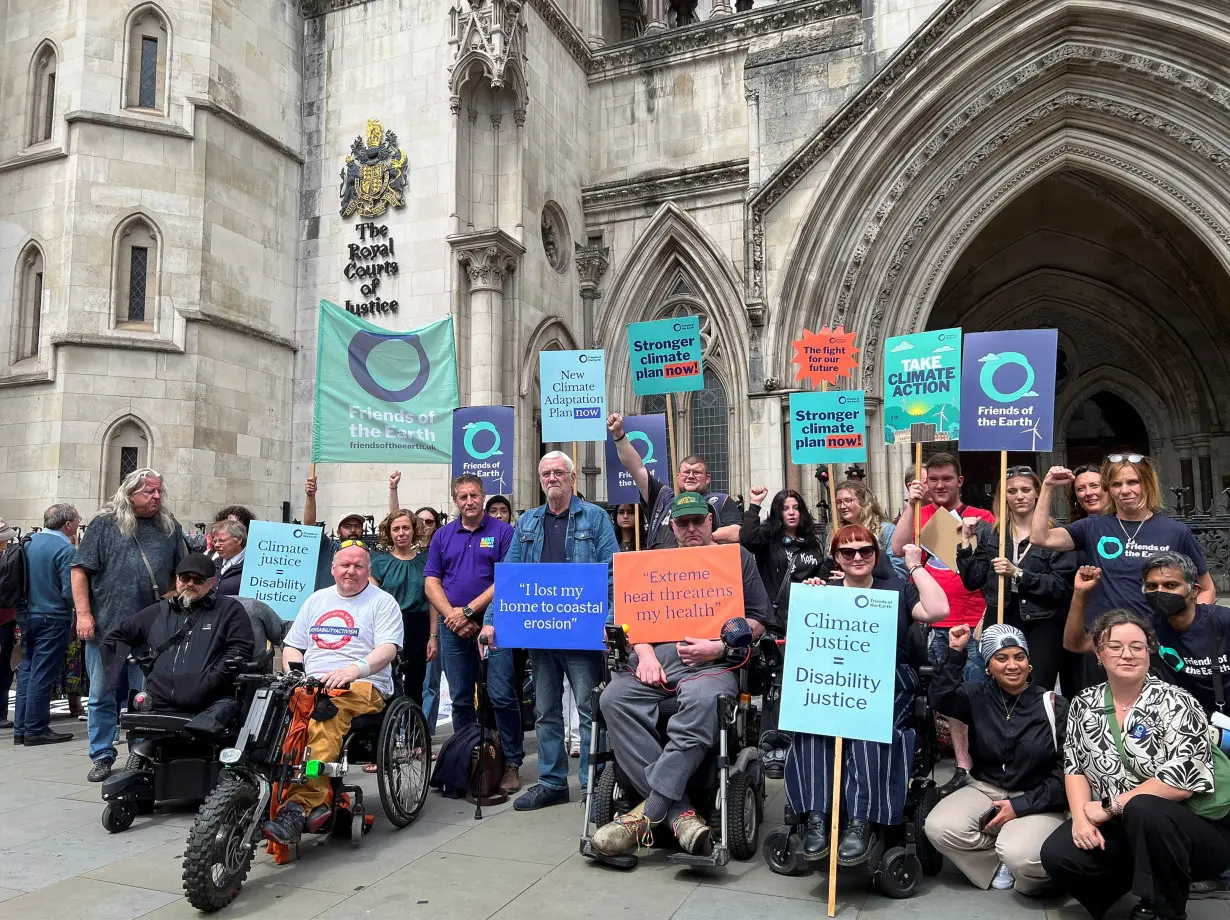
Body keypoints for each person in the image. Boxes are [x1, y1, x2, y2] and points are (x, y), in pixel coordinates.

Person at [590, 492, 772, 858]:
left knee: (705, 701)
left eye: (697, 521)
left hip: (713, 662)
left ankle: (651, 811)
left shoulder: (738, 559)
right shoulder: (652, 562)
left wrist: (719, 647)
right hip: (656, 658)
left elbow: (759, 621)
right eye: (683, 523)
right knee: (613, 698)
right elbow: (626, 620)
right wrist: (643, 652)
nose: (691, 529)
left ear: (710, 522)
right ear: (672, 527)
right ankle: (680, 814)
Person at [1041, 610, 1230, 920]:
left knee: (1144, 807)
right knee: (1058, 854)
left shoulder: (1177, 701)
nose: (1127, 654)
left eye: (1137, 646)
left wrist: (1110, 806)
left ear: (1148, 652)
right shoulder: (1084, 703)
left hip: (1190, 829)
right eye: (1115, 646)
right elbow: (1075, 765)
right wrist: (1080, 818)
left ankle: (1164, 908)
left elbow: (1181, 781)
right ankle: (1130, 887)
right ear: (1099, 654)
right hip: (1123, 824)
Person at [783, 525, 948, 862]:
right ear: (836, 559)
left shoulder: (897, 588)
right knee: (812, 724)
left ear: (876, 554)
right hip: (833, 681)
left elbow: (938, 611)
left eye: (865, 550)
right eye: (847, 552)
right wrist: (813, 593)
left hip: (888, 680)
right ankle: (818, 817)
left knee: (871, 726)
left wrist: (915, 566)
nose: (857, 557)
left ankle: (861, 821)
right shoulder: (824, 590)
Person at [483, 451, 618, 810]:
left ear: (573, 479)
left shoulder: (595, 518)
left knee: (590, 710)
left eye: (559, 472)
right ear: (541, 480)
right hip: (540, 632)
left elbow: (611, 572)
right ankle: (553, 782)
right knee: (545, 711)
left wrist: (608, 621)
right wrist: (492, 621)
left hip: (581, 631)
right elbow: (509, 577)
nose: (552, 478)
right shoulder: (527, 522)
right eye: (546, 473)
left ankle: (592, 789)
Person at [263, 544, 403, 844]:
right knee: (265, 712)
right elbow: (292, 645)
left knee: (326, 714)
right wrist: (295, 672)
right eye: (344, 565)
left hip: (364, 684)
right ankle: (260, 793)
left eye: (358, 566)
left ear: (368, 570)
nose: (350, 571)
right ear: (333, 568)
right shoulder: (317, 599)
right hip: (311, 681)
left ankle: (301, 805)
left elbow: (389, 648)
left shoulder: (382, 602)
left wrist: (355, 670)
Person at [925, 623, 1068, 893]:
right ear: (989, 666)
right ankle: (996, 860)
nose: (1012, 665)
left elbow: (1067, 771)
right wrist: (956, 652)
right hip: (986, 788)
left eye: (1019, 657)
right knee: (939, 827)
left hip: (1039, 797)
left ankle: (1019, 863)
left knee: (1022, 856)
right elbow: (940, 698)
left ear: (1029, 662)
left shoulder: (1053, 705)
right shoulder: (976, 695)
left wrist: (1021, 805)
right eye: (1001, 658)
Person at [72, 468, 188, 781]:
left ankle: (140, 755)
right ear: (130, 493)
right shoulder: (104, 524)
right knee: (100, 695)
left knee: (145, 699)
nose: (157, 497)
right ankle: (102, 754)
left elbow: (184, 573)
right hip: (106, 629)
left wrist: (174, 593)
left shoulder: (169, 527)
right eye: (149, 492)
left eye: (159, 491)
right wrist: (84, 615)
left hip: (151, 633)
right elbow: (80, 570)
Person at [892, 452, 996, 796]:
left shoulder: (981, 516)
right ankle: (963, 765)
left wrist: (970, 536)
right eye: (932, 479)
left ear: (959, 481)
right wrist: (912, 503)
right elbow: (896, 546)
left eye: (946, 479)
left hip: (976, 622)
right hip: (940, 624)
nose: (939, 485)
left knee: (979, 693)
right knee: (951, 700)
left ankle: (986, 762)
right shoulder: (921, 515)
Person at [423, 474, 522, 793]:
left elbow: (506, 578)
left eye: (474, 495)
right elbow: (431, 581)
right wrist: (453, 615)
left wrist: (469, 611)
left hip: (495, 623)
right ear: (455, 500)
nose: (469, 501)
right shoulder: (442, 536)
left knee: (501, 694)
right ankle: (467, 759)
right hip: (454, 628)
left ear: (483, 496)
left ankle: (511, 763)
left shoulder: (504, 532)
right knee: (462, 698)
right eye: (463, 496)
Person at [1031, 456, 1214, 628]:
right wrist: (1048, 487)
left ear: (1147, 485)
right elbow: (1040, 537)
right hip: (1104, 639)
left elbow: (1206, 589)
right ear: (1108, 489)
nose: (1125, 490)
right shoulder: (1092, 526)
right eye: (1116, 484)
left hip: (1157, 640)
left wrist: (1188, 623)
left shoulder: (1176, 531)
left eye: (1133, 482)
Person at [956, 467, 1078, 694]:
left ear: (1037, 493)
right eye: (1012, 491)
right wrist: (964, 542)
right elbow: (973, 580)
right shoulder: (994, 534)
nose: (1019, 496)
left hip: (1041, 623)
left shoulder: (1057, 534)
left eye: (1025, 490)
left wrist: (1018, 574)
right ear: (1004, 497)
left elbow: (1061, 587)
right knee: (998, 688)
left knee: (1038, 688)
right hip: (1001, 615)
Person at [99, 554, 254, 716]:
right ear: (177, 579)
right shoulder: (158, 611)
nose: (190, 584)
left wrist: (211, 681)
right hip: (159, 704)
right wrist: (144, 667)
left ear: (212, 583)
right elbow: (115, 638)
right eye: (185, 577)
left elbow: (240, 650)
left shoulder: (230, 611)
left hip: (207, 707)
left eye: (198, 580)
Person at [606, 413, 741, 549]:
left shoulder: (721, 501)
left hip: (702, 567)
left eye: (697, 472)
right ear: (677, 477)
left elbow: (736, 533)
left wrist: (699, 537)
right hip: (661, 566)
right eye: (686, 472)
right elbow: (636, 467)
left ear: (707, 478)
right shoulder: (662, 497)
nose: (690, 476)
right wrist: (619, 435)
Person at [13, 504, 79, 745]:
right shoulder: (65, 549)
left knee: (28, 670)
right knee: (43, 673)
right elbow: (69, 591)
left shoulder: (29, 542)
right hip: (52, 616)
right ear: (68, 524)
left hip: (27, 614)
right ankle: (36, 728)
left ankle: (21, 729)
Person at [370, 509, 432, 707]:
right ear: (389, 533)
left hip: (418, 625)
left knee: (416, 683)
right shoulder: (380, 563)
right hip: (389, 625)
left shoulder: (426, 561)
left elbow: (432, 600)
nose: (401, 533)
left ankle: (415, 733)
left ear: (414, 530)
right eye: (396, 529)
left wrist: (433, 636)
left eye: (406, 527)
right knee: (388, 679)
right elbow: (372, 600)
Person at [740, 487, 824, 635]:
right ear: (778, 513)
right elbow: (747, 539)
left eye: (796, 508)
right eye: (785, 509)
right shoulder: (767, 540)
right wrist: (755, 504)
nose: (791, 512)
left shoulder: (812, 544)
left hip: (804, 619)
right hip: (774, 622)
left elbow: (820, 576)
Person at [302, 473, 372, 590]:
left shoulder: (370, 556)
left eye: (357, 526)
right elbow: (310, 527)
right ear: (339, 532)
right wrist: (310, 496)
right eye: (348, 526)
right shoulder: (328, 548)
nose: (353, 530)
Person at [834, 479, 907, 578]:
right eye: (838, 502)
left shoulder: (885, 530)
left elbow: (898, 572)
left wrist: (853, 578)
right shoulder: (835, 532)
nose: (842, 506)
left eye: (848, 500)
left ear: (863, 501)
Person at [414, 505, 445, 733]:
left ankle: (425, 731)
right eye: (420, 521)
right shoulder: (408, 552)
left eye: (429, 522)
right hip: (412, 623)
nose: (424, 526)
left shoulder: (438, 551)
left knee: (431, 681)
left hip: (436, 620)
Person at [0, 520, 19, 731]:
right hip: (3, 621)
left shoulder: (7, 557)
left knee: (5, 667)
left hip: (6, 619)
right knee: (4, 668)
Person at [211, 520, 247, 595]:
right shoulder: (214, 563)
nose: (216, 545)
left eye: (222, 541)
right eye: (215, 541)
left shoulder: (251, 566)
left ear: (239, 540)